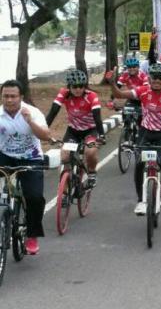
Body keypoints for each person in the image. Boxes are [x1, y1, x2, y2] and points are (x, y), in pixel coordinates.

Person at [107, 63, 161, 214]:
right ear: (149, 77)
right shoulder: (143, 91)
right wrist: (112, 82)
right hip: (145, 132)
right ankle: (141, 200)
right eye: (154, 77)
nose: (157, 80)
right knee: (139, 165)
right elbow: (120, 95)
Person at [0, 80, 52, 255]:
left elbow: (45, 135)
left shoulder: (33, 112)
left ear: (21, 97)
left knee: (35, 197)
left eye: (13, 96)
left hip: (31, 157)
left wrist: (30, 121)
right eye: (5, 96)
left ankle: (32, 234)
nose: (9, 100)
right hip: (5, 155)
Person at [46, 70, 106, 188]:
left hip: (90, 130)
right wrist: (44, 129)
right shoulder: (64, 93)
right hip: (73, 131)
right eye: (74, 86)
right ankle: (65, 191)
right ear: (69, 86)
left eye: (81, 86)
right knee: (64, 156)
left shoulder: (91, 96)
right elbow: (53, 111)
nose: (78, 89)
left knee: (91, 152)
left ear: (85, 86)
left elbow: (97, 117)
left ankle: (92, 173)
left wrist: (102, 135)